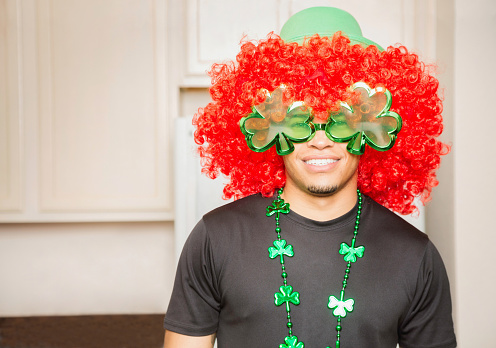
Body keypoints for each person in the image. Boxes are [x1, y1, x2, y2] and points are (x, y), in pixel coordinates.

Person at [163, 7, 456, 348]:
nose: (320, 140)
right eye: (299, 120)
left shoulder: (415, 257)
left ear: (375, 128)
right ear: (268, 126)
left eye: (341, 120)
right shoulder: (215, 239)